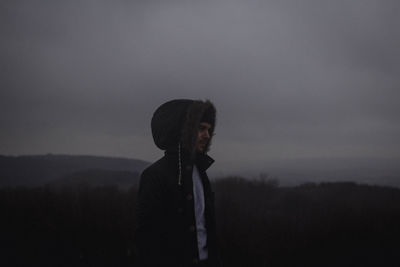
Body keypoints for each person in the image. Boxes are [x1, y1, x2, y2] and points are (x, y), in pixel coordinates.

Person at [135, 99, 221, 267]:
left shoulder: (200, 173)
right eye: (201, 128)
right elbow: (147, 241)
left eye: (209, 130)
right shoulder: (154, 175)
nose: (207, 135)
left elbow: (207, 231)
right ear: (184, 131)